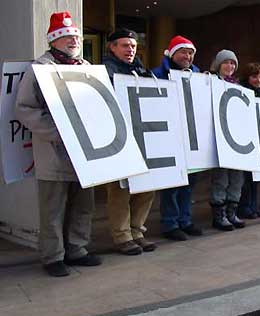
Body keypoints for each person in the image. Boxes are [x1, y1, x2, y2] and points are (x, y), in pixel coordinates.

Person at [15, 11, 101, 276]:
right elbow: (25, 108)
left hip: (85, 151)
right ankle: (53, 257)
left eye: (74, 36)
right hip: (54, 150)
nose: (72, 40)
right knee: (53, 207)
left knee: (83, 203)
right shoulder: (38, 68)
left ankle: (77, 249)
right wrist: (57, 132)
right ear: (54, 40)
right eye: (65, 36)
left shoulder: (87, 67)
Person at [102, 28, 157, 255]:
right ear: (112, 47)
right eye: (125, 45)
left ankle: (137, 230)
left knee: (147, 186)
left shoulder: (141, 70)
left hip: (142, 136)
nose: (130, 50)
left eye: (133, 46)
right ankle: (122, 235)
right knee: (120, 189)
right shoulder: (104, 71)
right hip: (118, 138)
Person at [152, 35, 203, 241]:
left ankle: (185, 220)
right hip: (169, 137)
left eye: (191, 53)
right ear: (172, 53)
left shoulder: (198, 75)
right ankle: (170, 223)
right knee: (172, 185)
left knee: (189, 183)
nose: (188, 56)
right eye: (184, 52)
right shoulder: (157, 74)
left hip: (191, 138)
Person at [209, 49, 246, 230]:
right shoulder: (209, 81)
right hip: (219, 139)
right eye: (226, 62)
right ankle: (219, 215)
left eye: (233, 63)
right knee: (221, 179)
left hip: (236, 138)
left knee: (237, 179)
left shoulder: (237, 86)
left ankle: (232, 212)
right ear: (218, 64)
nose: (230, 66)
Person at [238, 62, 260, 219]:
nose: (258, 80)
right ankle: (243, 207)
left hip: (259, 141)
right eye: (254, 76)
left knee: (255, 178)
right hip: (245, 141)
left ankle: (253, 206)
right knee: (245, 179)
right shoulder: (242, 92)